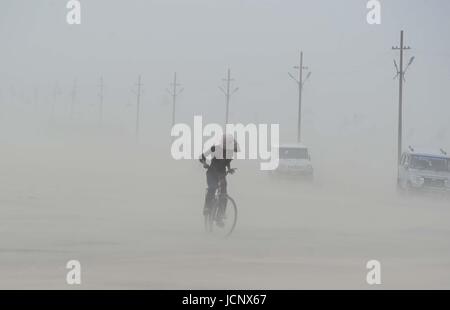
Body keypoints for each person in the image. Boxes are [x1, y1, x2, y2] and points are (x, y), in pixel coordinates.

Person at [199, 134, 239, 227]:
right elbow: (201, 157)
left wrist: (229, 169)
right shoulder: (215, 148)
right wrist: (205, 163)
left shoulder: (230, 152)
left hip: (221, 175)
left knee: (224, 195)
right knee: (212, 187)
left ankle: (219, 216)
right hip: (212, 173)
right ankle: (207, 207)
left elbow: (227, 162)